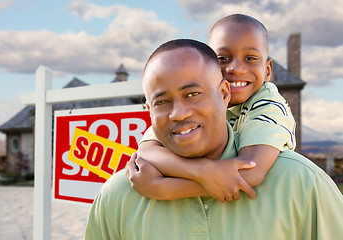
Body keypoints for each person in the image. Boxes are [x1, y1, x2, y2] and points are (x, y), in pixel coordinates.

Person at [85, 39, 343, 240]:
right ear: (148, 110)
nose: (179, 113)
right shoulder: (117, 196)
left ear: (223, 93)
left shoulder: (302, 184)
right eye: (162, 102)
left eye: (192, 94)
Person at [133, 14, 296, 202]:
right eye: (223, 58)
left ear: (267, 70)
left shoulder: (268, 105)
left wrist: (163, 189)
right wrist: (203, 171)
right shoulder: (200, 103)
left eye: (250, 58)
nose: (236, 68)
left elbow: (250, 173)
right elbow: (147, 151)